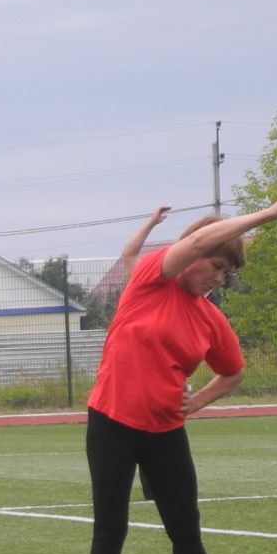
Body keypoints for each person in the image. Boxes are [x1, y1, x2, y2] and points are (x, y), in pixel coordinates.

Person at [85, 183, 277, 554]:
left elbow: (234, 371)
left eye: (226, 272)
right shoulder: (150, 279)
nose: (218, 277)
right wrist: (265, 215)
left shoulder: (209, 318)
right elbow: (197, 241)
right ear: (195, 254)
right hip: (112, 423)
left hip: (166, 432)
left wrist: (200, 400)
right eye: (217, 265)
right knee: (110, 530)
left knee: (186, 532)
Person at [115, 206, 171, 502]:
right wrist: (151, 222)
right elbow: (129, 254)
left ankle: (158, 485)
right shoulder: (144, 285)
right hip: (129, 373)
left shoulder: (182, 296)